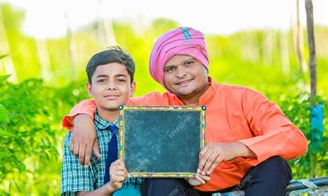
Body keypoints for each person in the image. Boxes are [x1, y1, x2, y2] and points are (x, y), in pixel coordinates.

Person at [62, 27, 308, 195]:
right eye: (170, 69)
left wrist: (235, 148)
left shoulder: (243, 98)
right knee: (157, 181)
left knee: (274, 165)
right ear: (162, 76)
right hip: (186, 189)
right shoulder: (154, 103)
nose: (181, 74)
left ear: (203, 63)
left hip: (247, 183)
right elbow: (111, 99)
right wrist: (83, 117)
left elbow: (294, 138)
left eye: (188, 63)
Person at [61, 47, 143, 195]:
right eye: (102, 80)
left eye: (120, 80)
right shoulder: (79, 138)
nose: (111, 86)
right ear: (90, 89)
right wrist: (111, 186)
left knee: (128, 193)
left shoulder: (147, 128)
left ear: (131, 88)